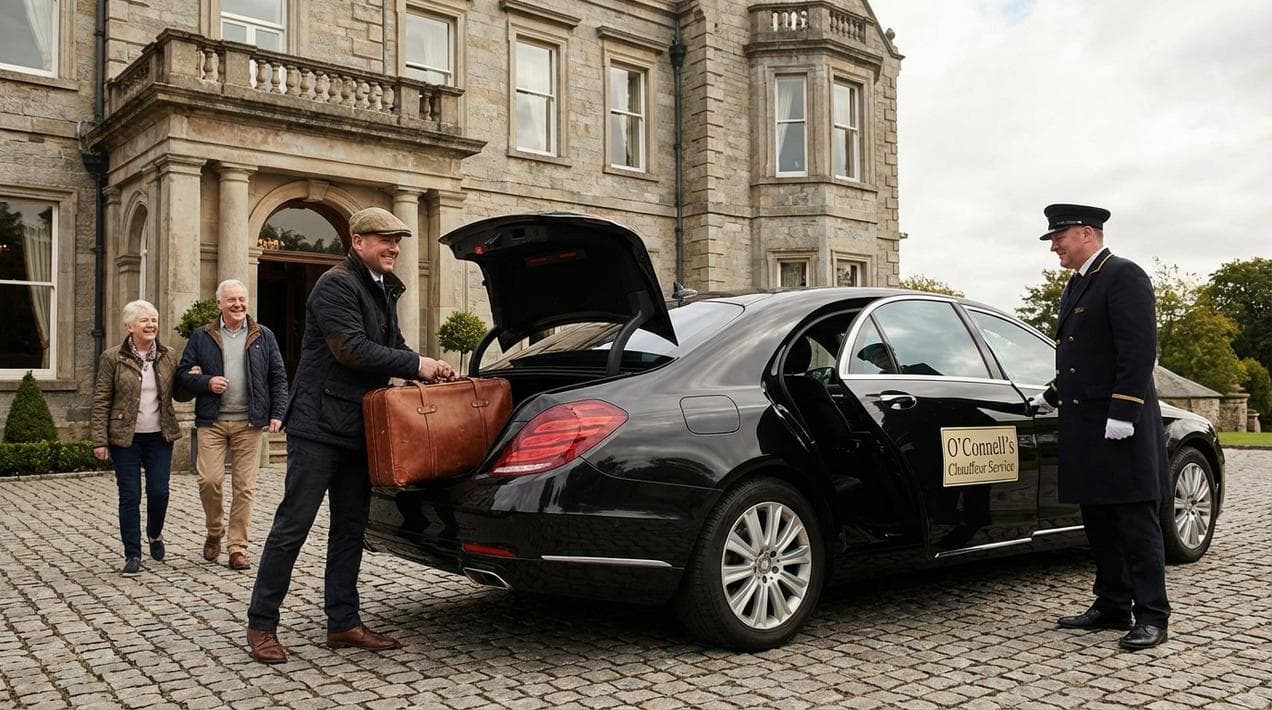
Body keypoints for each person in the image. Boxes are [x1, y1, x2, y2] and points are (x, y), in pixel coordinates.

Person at [245, 206, 456, 664]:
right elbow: (352, 350)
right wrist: (415, 365)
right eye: (384, 239)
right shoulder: (336, 284)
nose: (393, 247)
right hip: (318, 427)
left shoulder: (382, 288)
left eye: (397, 240)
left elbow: (391, 347)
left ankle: (342, 623)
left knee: (349, 529)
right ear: (357, 242)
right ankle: (262, 624)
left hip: (361, 428)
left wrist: (427, 366)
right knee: (292, 526)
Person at [1031, 203, 1171, 651]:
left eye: (1060, 237)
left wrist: (1125, 412)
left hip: (1117, 423)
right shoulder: (1077, 284)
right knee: (1098, 518)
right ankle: (1112, 602)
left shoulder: (1123, 275)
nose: (1054, 246)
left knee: (1134, 520)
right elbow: (1085, 354)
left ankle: (1152, 614)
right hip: (1086, 423)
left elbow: (1137, 350)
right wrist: (1052, 393)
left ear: (1087, 233)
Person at [177, 279, 288, 572]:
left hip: (249, 423)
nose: (238, 305)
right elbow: (182, 376)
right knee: (209, 480)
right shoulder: (202, 336)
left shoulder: (263, 335)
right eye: (231, 300)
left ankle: (237, 548)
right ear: (219, 304)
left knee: (245, 488)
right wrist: (206, 382)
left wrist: (278, 412)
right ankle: (215, 530)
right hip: (212, 421)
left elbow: (278, 376)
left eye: (241, 299)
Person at [90, 300, 187, 576]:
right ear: (130, 326)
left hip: (160, 435)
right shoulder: (112, 358)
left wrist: (195, 380)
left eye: (154, 320)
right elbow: (101, 400)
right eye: (144, 320)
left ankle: (154, 534)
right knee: (130, 496)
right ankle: (132, 553)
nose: (151, 325)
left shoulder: (168, 355)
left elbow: (179, 393)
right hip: (125, 439)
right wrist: (99, 440)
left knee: (159, 491)